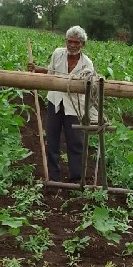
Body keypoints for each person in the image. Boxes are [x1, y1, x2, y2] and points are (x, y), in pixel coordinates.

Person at [28, 25, 95, 183]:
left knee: (75, 143)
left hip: (74, 107)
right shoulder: (58, 54)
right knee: (52, 140)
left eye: (76, 42)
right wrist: (38, 69)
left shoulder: (87, 64)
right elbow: (52, 73)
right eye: (69, 41)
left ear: (82, 44)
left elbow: (90, 86)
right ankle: (53, 176)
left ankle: (76, 179)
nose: (72, 45)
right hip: (55, 101)